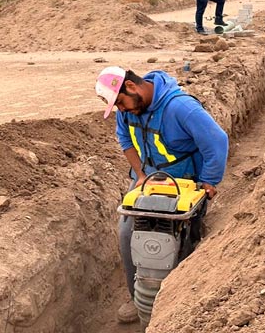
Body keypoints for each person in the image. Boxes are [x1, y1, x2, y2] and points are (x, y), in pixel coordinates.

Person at [94, 66, 229, 323]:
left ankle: (178, 303)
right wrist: (140, 175)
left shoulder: (180, 108)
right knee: (126, 233)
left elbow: (217, 141)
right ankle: (138, 297)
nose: (122, 110)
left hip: (185, 184)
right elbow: (125, 141)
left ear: (131, 87)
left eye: (120, 102)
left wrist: (209, 181)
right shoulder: (128, 110)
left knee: (184, 239)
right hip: (149, 181)